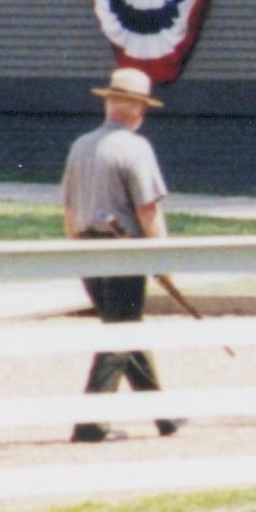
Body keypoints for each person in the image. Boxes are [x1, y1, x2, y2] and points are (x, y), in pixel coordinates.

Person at [60, 66, 179, 440]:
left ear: (110, 104)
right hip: (123, 248)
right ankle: (91, 424)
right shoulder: (135, 148)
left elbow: (68, 210)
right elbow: (149, 211)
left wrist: (77, 252)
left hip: (86, 248)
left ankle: (164, 416)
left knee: (123, 330)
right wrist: (162, 259)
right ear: (138, 111)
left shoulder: (80, 146)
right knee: (120, 333)